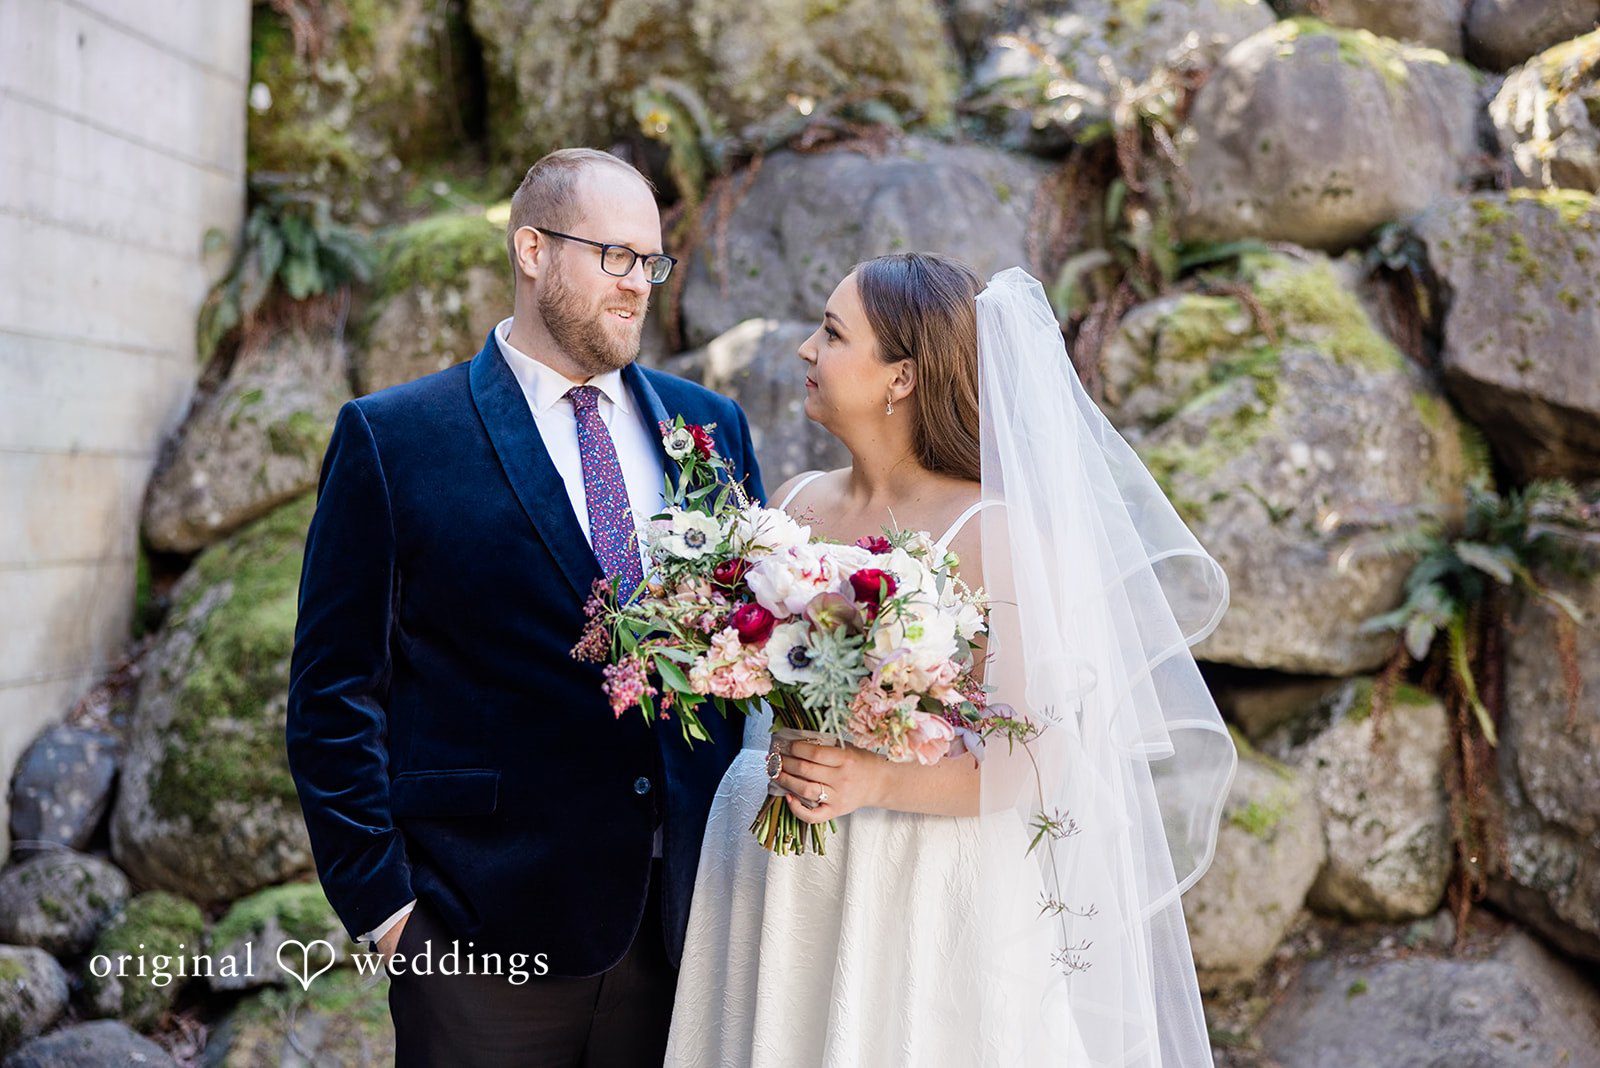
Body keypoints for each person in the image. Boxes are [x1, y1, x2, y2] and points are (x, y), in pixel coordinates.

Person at [666, 253, 1236, 1066]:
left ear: (900, 378)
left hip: (908, 878)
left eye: (832, 334)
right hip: (771, 870)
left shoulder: (992, 532)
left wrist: (874, 781)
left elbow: (1035, 754)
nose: (805, 350)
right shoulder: (791, 504)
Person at [285, 147, 764, 1066]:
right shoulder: (394, 438)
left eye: (652, 261)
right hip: (479, 938)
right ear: (533, 249)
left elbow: (748, 649)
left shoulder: (711, 428)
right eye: (614, 256)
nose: (638, 284)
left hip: (686, 932)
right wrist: (389, 915)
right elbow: (332, 696)